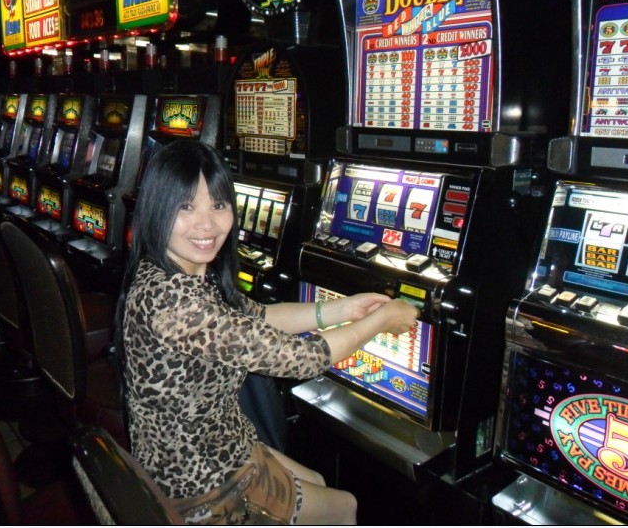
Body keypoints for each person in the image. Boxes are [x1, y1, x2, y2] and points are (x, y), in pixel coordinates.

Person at [114, 140, 419, 525]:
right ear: (158, 208)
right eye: (186, 207)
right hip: (200, 484)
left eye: (218, 205)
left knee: (318, 481)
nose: (207, 224)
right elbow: (304, 359)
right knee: (345, 508)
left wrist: (342, 309)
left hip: (219, 443)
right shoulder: (173, 304)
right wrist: (383, 320)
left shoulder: (178, 272)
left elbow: (259, 315)